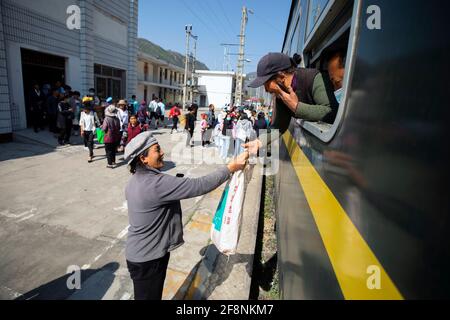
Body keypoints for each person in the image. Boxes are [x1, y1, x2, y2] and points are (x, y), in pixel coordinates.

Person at [123, 132, 249, 300]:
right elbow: (199, 185)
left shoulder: (135, 180)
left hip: (141, 254)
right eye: (157, 149)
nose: (162, 153)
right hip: (148, 259)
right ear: (143, 158)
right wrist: (230, 168)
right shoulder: (156, 184)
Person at [244, 52, 339, 154]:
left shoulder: (313, 77)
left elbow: (330, 111)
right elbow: (279, 125)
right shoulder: (280, 95)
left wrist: (296, 107)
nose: (266, 90)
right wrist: (259, 142)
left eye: (266, 84)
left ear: (281, 77)